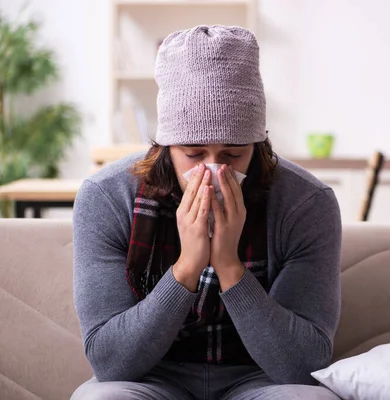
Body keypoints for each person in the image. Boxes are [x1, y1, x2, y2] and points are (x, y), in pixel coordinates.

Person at [70, 25, 342, 400]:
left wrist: (229, 267)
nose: (214, 171)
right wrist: (187, 268)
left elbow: (302, 368)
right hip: (151, 377)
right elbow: (111, 364)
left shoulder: (305, 203)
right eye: (194, 153)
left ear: (257, 144)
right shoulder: (107, 197)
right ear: (166, 145)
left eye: (233, 154)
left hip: (258, 376)